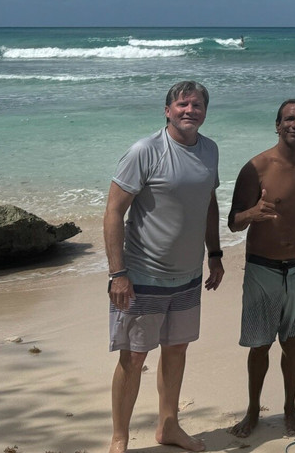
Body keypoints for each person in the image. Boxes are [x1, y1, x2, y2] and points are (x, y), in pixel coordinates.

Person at [103, 81, 225, 453]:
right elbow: (113, 212)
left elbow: (209, 203)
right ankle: (120, 438)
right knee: (134, 356)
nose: (190, 110)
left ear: (205, 111)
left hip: (187, 275)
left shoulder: (210, 150)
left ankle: (168, 426)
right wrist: (117, 274)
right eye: (183, 104)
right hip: (142, 276)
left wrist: (215, 254)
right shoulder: (146, 150)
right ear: (168, 110)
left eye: (198, 105)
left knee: (176, 350)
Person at [227, 99, 295, 438]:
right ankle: (253, 411)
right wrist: (251, 214)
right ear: (277, 125)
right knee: (260, 345)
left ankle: (290, 410)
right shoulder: (258, 167)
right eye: (289, 119)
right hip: (262, 268)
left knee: (292, 341)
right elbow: (233, 222)